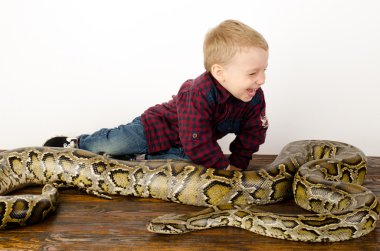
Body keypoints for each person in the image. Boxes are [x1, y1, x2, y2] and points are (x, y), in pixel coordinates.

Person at [43, 19, 269, 171]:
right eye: (252, 73)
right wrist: (223, 168)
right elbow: (198, 141)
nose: (261, 80)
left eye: (263, 70)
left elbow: (252, 134)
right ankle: (77, 143)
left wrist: (237, 166)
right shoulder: (197, 92)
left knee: (187, 164)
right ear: (220, 73)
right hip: (155, 128)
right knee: (116, 142)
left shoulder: (253, 98)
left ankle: (129, 161)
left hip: (185, 147)